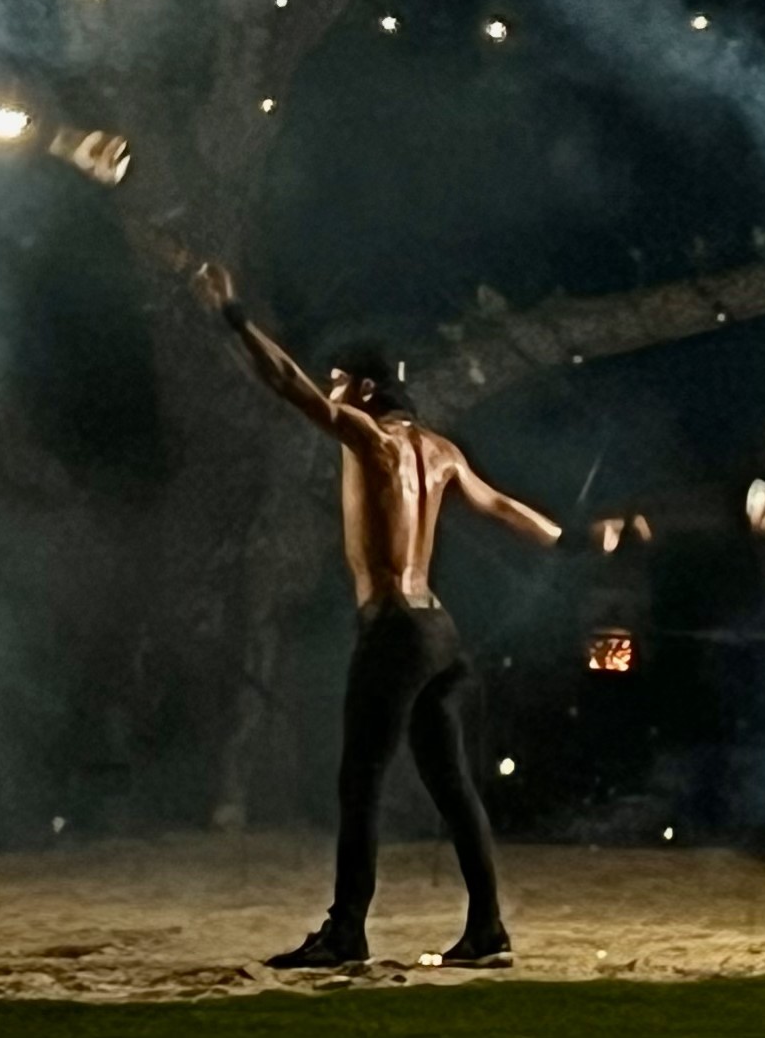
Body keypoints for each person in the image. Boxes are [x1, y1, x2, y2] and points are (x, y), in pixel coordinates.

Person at [182, 256, 580, 970]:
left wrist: (233, 316)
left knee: (359, 780)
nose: (332, 389)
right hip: (440, 633)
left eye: (340, 381)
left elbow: (285, 384)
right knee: (452, 786)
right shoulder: (442, 451)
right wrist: (566, 538)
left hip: (395, 630)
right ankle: (487, 929)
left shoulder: (375, 440)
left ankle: (346, 932)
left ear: (364, 389)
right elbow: (502, 507)